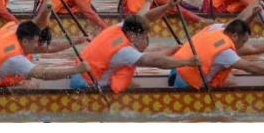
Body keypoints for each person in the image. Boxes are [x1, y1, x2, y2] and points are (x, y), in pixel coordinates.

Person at [69, 15, 201, 93]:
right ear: (132, 35)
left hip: (80, 73)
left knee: (131, 76)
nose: (146, 39)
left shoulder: (119, 28)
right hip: (88, 86)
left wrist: (172, 50)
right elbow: (155, 62)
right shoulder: (124, 52)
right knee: (131, 78)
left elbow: (145, 16)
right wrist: (187, 62)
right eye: (144, 36)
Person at [170, 18, 264, 89]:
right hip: (187, 84)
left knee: (228, 78)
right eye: (243, 42)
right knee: (231, 81)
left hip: (176, 70)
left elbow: (252, 47)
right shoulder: (225, 53)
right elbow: (251, 67)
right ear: (234, 36)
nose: (243, 45)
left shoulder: (215, 28)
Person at [0, 20, 89, 89]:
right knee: (32, 85)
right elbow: (44, 74)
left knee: (27, 76)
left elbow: (49, 47)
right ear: (25, 41)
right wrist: (76, 70)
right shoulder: (15, 59)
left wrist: (74, 41)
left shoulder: (14, 29)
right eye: (36, 42)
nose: (38, 46)